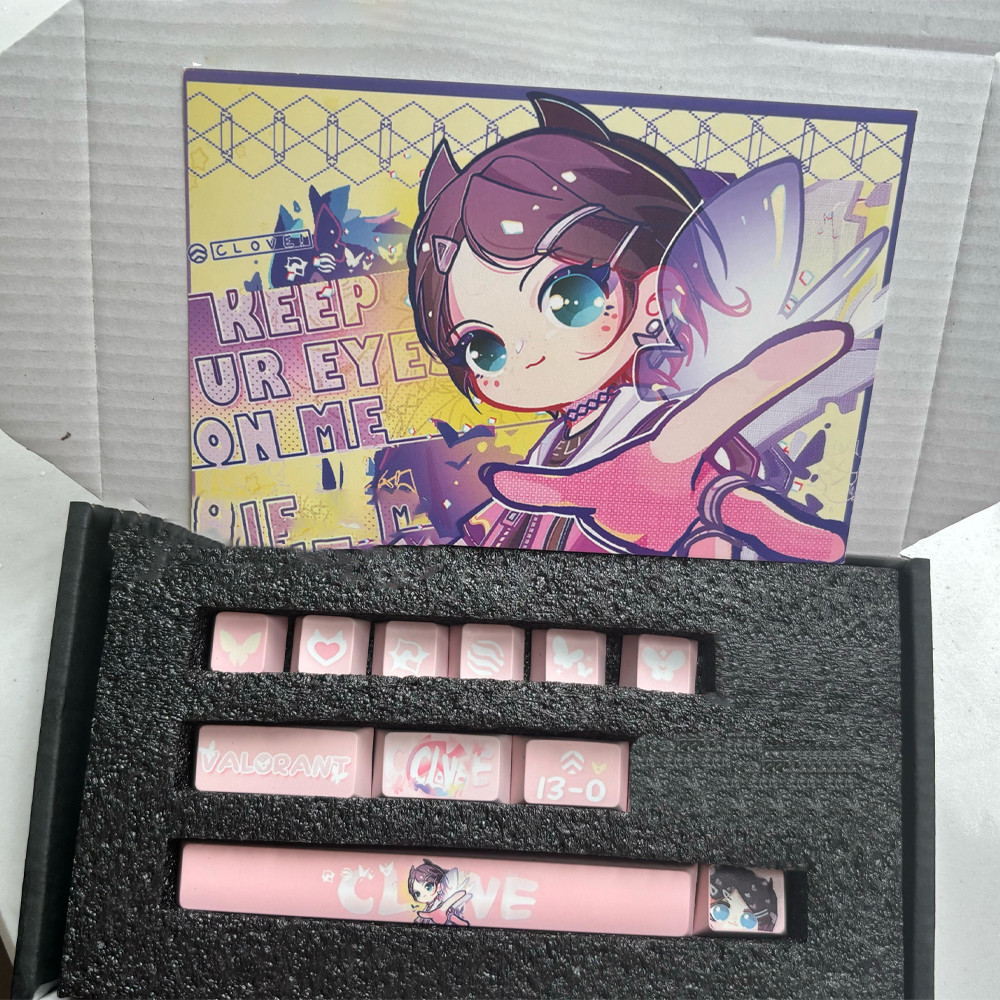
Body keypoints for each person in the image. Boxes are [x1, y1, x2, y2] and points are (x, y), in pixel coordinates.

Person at [407, 93, 886, 561]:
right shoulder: (554, 445)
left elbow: (685, 481)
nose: (526, 353)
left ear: (656, 295)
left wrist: (695, 512)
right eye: (482, 347)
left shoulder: (661, 427)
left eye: (570, 300)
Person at [407, 859, 472, 926]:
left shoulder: (440, 902)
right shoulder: (429, 906)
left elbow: (460, 894)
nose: (423, 895)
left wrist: (444, 909)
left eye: (428, 887)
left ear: (439, 886)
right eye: (417, 894)